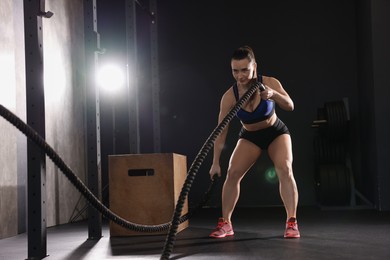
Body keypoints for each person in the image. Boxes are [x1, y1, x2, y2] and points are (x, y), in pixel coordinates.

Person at [209, 45, 300, 239]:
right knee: (232, 173)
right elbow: (221, 131)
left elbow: (290, 105)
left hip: (275, 132)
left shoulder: (269, 82)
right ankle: (226, 223)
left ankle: (291, 222)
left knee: (285, 168)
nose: (240, 76)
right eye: (235, 70)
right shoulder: (229, 97)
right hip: (250, 136)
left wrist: (273, 95)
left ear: (254, 67)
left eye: (244, 70)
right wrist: (215, 162)